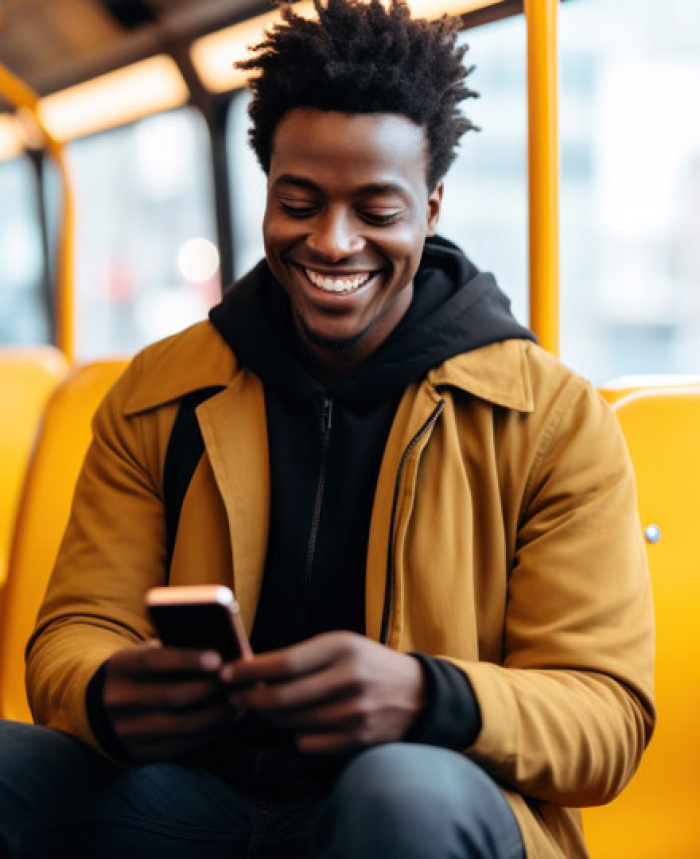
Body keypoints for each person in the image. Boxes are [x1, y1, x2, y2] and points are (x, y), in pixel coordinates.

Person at [0, 1, 655, 857]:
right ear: (267, 189)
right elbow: (77, 633)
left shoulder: (552, 419)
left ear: (432, 204)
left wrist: (428, 698)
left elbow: (606, 719)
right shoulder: (156, 393)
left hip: (412, 799)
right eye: (298, 202)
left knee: (399, 788)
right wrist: (107, 690)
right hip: (194, 799)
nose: (333, 242)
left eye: (376, 209)